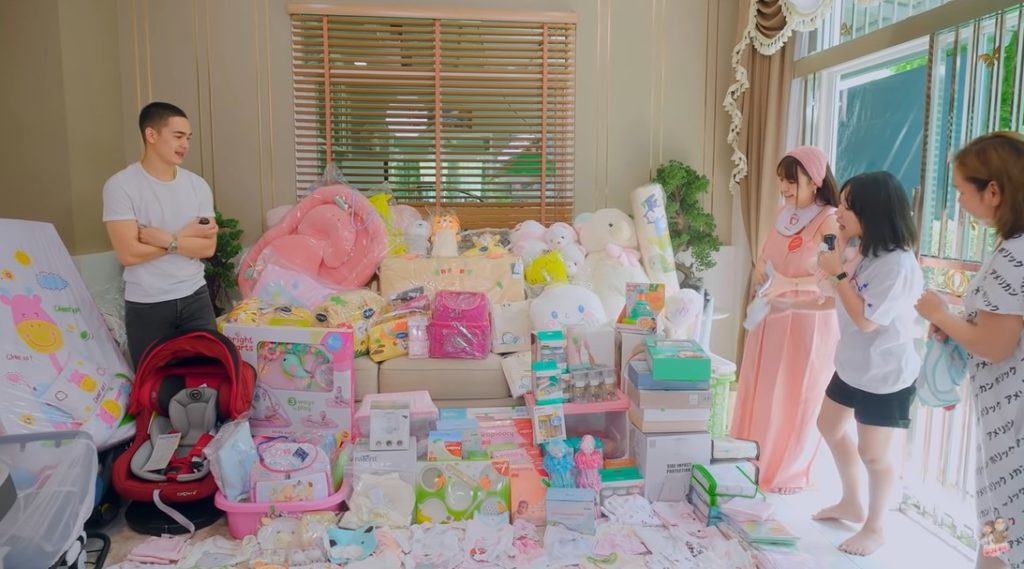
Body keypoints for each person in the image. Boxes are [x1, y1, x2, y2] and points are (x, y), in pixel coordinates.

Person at [915, 132, 1024, 569]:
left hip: (1011, 426)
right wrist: (955, 322)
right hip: (1002, 421)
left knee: (1003, 524)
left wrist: (941, 315)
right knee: (997, 522)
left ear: (992, 191)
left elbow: (996, 346)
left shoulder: (1013, 256)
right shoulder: (1011, 249)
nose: (958, 201)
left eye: (962, 191)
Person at [810, 171, 923, 556]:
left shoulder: (898, 264)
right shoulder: (859, 248)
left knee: (873, 454)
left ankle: (875, 527)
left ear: (872, 211)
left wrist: (838, 272)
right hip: (852, 364)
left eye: (847, 206)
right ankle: (851, 501)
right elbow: (831, 290)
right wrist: (836, 252)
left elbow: (866, 319)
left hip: (886, 375)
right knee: (828, 425)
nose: (838, 212)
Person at [731, 146, 841, 494]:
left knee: (795, 392)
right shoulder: (783, 214)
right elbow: (766, 258)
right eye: (781, 180)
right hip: (772, 314)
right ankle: (750, 457)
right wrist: (761, 275)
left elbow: (833, 278)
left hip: (807, 320)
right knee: (762, 388)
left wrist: (789, 285)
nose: (784, 187)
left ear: (815, 180)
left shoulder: (829, 221)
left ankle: (788, 471)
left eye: (791, 180)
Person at [102, 102, 218, 366]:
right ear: (151, 135)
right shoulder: (120, 186)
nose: (185, 145)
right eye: (178, 136)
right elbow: (129, 254)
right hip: (147, 303)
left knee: (205, 377)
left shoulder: (197, 186)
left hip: (195, 297)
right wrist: (185, 237)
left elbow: (207, 248)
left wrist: (168, 240)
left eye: (188, 138)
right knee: (155, 383)